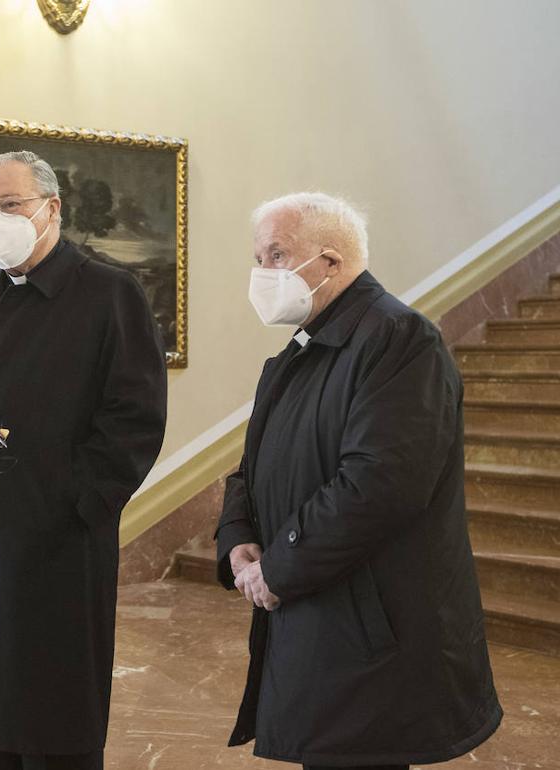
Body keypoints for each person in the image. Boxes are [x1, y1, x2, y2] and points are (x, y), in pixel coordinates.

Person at [215, 192, 502, 770]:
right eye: (259, 257)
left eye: (276, 255)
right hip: (320, 613)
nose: (263, 273)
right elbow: (255, 461)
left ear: (330, 261)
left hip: (372, 630)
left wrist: (280, 566)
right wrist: (238, 534)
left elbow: (380, 484)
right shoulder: (304, 346)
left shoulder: (400, 339)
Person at [0, 150, 168, 769]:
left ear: (51, 209)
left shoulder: (109, 293)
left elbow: (134, 420)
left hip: (56, 546)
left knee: (50, 715)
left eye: (8, 205)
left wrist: (72, 504)